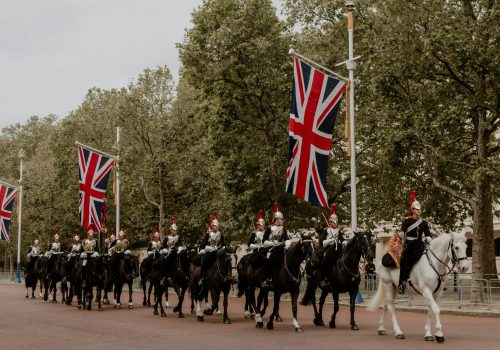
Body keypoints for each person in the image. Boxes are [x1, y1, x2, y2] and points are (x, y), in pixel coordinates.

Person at [398, 191, 432, 294]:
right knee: (404, 260)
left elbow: (428, 234)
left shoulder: (424, 223)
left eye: (420, 209)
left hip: (420, 244)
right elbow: (402, 232)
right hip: (409, 245)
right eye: (417, 209)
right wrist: (401, 234)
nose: (419, 211)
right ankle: (401, 283)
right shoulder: (407, 221)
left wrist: (427, 239)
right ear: (412, 210)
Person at [259, 201, 290, 288]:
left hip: (281, 249)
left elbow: (287, 238)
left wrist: (287, 245)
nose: (283, 220)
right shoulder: (269, 229)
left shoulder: (283, 229)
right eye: (281, 219)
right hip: (270, 250)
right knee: (268, 261)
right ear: (277, 219)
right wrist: (273, 243)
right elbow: (264, 242)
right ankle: (265, 279)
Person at [319, 203, 345, 288]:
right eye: (334, 222)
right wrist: (331, 240)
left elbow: (342, 239)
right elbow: (321, 242)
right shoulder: (326, 230)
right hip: (328, 249)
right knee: (324, 262)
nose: (336, 224)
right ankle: (323, 279)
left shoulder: (338, 231)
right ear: (330, 222)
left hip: (338, 249)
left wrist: (345, 242)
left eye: (337, 222)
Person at [198, 212, 226, 290]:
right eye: (214, 226)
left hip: (218, 251)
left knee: (227, 260)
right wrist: (207, 249)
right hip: (210, 252)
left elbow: (224, 244)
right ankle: (202, 277)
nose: (215, 227)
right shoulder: (208, 234)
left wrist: (223, 248)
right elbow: (203, 245)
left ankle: (226, 277)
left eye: (217, 226)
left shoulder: (220, 234)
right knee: (204, 261)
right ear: (212, 226)